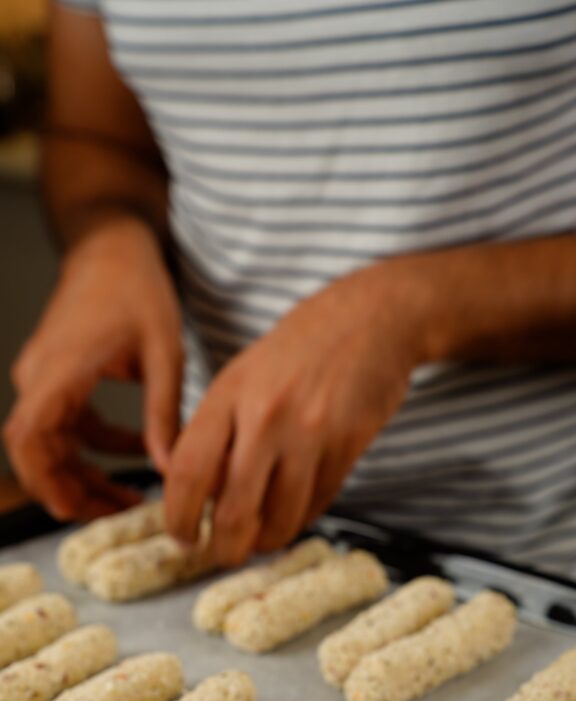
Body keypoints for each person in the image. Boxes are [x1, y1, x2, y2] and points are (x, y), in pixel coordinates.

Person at [4, 1, 576, 571]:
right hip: (228, 518)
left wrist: (412, 309)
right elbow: (95, 134)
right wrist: (108, 245)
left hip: (545, 541)